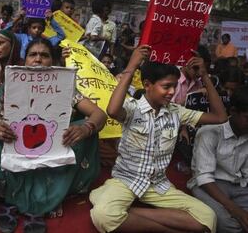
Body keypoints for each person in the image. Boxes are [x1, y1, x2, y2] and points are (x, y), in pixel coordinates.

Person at [0, 38, 107, 233]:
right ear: (24, 60)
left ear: (52, 62)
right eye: (33, 55)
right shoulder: (8, 88)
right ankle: (22, 200)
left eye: (44, 55)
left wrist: (85, 129)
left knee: (88, 133)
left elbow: (99, 114)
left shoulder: (65, 89)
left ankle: (38, 202)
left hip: (50, 151)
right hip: (14, 149)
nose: (38, 59)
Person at [90, 45, 228, 233]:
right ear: (147, 85)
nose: (172, 92)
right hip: (126, 180)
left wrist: (204, 76)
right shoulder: (132, 108)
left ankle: (131, 213)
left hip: (158, 185)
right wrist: (131, 66)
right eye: (166, 86)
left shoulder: (177, 112)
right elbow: (113, 110)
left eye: (174, 86)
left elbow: (220, 117)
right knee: (103, 216)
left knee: (207, 218)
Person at [188, 86, 248, 233]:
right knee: (227, 224)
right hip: (210, 184)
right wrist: (234, 209)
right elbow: (204, 177)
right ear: (233, 112)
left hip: (239, 184)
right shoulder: (209, 132)